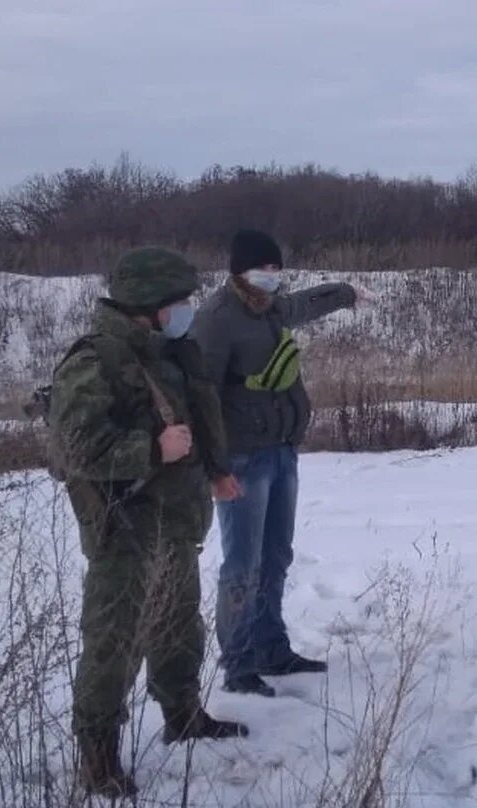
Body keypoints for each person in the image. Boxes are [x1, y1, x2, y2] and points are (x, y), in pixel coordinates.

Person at [48, 247, 247, 798]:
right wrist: (152, 449)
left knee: (179, 625)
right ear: (149, 305)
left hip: (176, 520)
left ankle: (182, 714)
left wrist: (215, 471)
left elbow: (195, 417)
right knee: (114, 641)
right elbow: (73, 448)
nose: (186, 310)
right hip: (125, 527)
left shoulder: (168, 352)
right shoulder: (96, 360)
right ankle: (97, 755)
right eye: (179, 301)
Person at [192, 229, 359, 697]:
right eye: (265, 268)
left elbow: (304, 305)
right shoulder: (217, 319)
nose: (273, 276)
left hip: (281, 450)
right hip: (242, 459)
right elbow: (200, 396)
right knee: (242, 564)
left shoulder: (270, 307)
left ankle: (271, 647)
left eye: (276, 268)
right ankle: (239, 663)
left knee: (275, 557)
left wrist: (345, 294)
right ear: (241, 270)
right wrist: (214, 467)